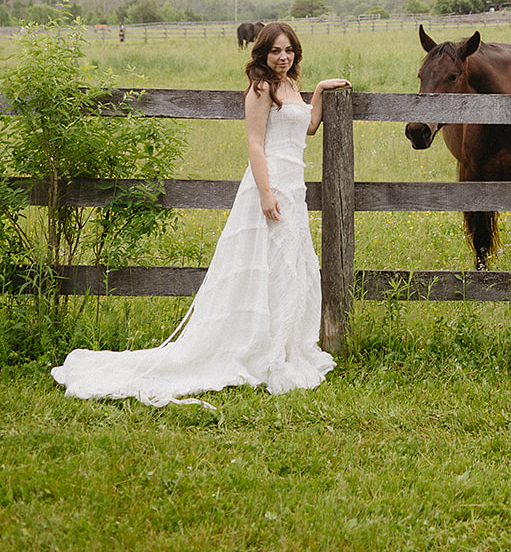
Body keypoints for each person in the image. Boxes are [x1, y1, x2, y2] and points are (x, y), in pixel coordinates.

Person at [53, 22, 349, 406]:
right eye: (276, 50)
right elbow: (255, 143)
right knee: (264, 264)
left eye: (289, 50)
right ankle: (256, 347)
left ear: (296, 53)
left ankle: (282, 343)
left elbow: (308, 127)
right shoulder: (261, 88)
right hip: (271, 184)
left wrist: (322, 90)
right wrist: (264, 193)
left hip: (295, 186)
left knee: (287, 266)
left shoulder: (291, 86)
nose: (283, 57)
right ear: (262, 53)